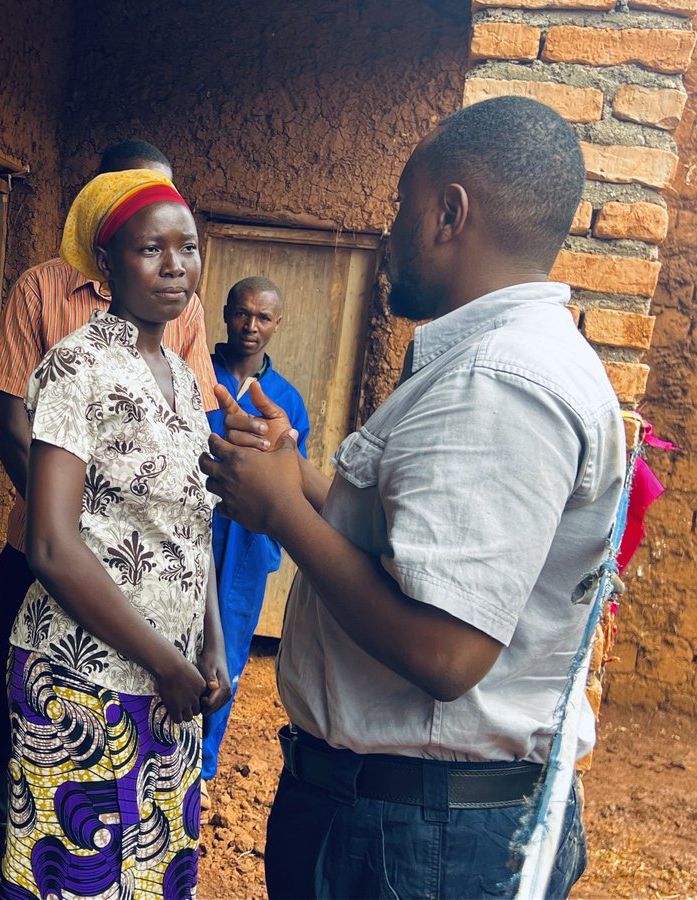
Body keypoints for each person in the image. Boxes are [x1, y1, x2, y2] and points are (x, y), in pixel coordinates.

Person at [200, 96, 626, 899]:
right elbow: (411, 545)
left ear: (448, 211)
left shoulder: (500, 383)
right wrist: (299, 478)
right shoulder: (504, 364)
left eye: (401, 204)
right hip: (420, 823)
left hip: (417, 841)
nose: (392, 232)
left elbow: (447, 650)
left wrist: (281, 512)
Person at [0, 140, 218, 898]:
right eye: (152, 250)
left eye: (189, 248)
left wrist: (208, 644)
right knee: (74, 877)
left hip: (171, 679)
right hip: (87, 679)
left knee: (148, 871)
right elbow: (50, 541)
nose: (175, 266)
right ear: (107, 266)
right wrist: (165, 659)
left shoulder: (181, 376)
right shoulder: (77, 365)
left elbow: (192, 525)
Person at [200, 276, 309, 800]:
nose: (251, 326)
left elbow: (294, 478)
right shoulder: (197, 372)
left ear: (277, 324)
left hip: (245, 544)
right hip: (191, 528)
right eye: (242, 313)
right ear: (225, 313)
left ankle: (201, 764)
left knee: (230, 654)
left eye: (263, 317)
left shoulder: (286, 401)